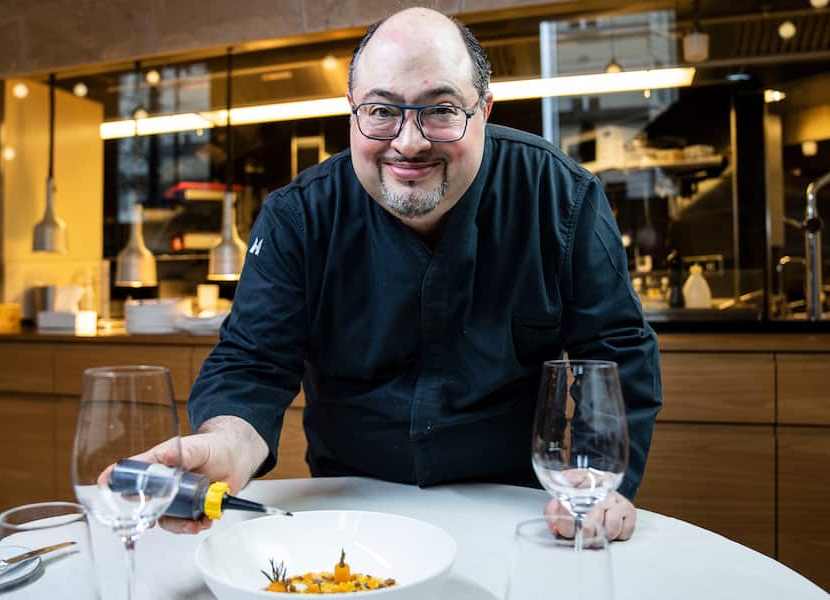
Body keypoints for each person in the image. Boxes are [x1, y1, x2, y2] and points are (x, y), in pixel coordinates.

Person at [138, 7, 662, 541]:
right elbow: (253, 364)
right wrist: (225, 445)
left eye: (440, 110)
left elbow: (614, 352)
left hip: (516, 513)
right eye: (382, 111)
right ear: (351, 111)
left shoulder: (560, 195)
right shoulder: (299, 216)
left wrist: (595, 477)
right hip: (349, 510)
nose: (409, 142)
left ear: (484, 109)